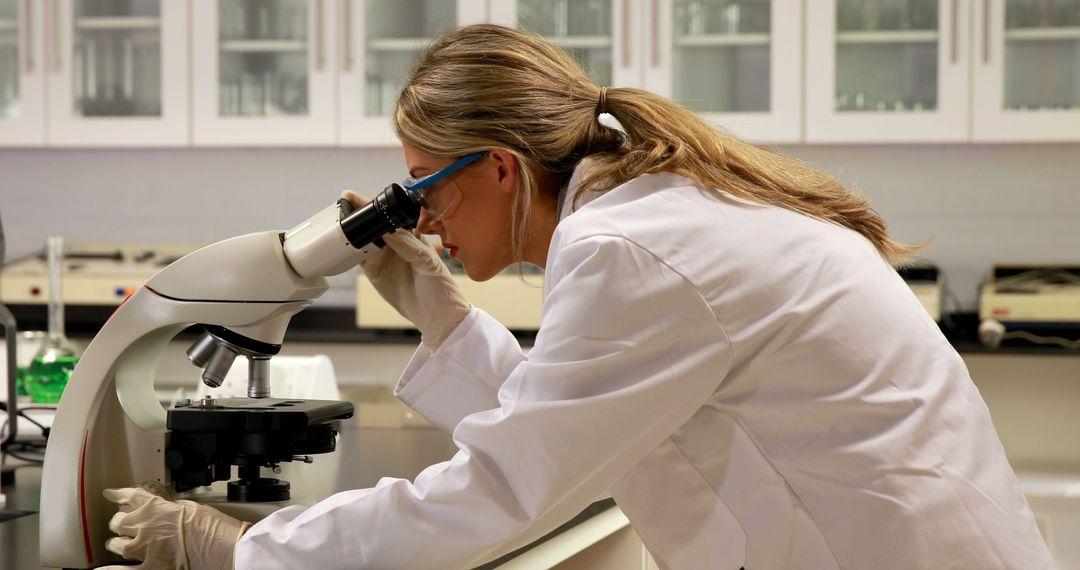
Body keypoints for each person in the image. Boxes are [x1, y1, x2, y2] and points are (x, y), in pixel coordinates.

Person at [102, 24, 1053, 569]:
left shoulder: (630, 249)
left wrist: (242, 552)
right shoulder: (659, 211)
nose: (423, 216)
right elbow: (575, 429)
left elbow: (505, 487)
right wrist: (443, 319)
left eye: (428, 183)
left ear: (505, 169)